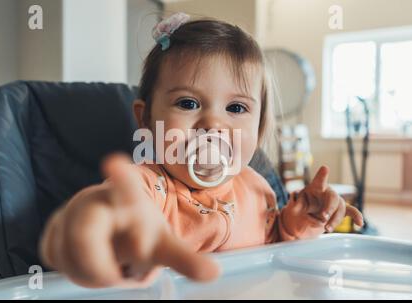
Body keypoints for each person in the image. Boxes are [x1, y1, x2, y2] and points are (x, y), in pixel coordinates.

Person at [39, 13, 363, 288]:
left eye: (236, 108)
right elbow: (116, 212)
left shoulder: (256, 188)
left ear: (260, 128)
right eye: (188, 103)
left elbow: (276, 256)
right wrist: (94, 226)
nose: (212, 124)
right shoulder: (147, 188)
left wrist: (299, 223)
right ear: (147, 120)